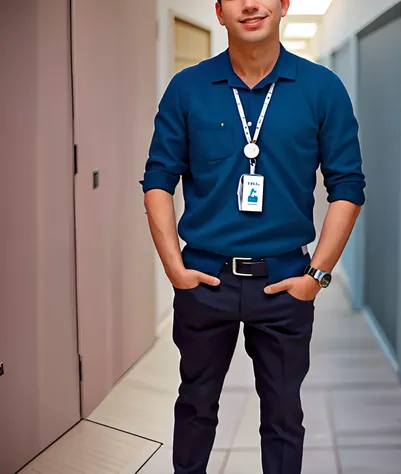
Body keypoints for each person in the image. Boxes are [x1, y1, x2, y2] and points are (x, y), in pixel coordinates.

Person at [140, 0, 365, 472]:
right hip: (205, 279)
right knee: (196, 407)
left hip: (284, 281)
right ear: (219, 11)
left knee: (283, 417)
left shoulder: (322, 89)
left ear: (284, 4)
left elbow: (348, 186)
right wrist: (174, 268)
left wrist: (316, 275)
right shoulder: (188, 88)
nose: (250, 5)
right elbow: (158, 178)